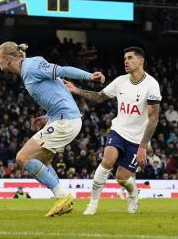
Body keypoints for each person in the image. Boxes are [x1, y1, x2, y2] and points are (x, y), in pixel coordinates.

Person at [0, 41, 105, 217]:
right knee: (42, 163)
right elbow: (58, 94)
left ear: (8, 59)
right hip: (60, 119)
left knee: (22, 157)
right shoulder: (26, 72)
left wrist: (89, 76)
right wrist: (46, 116)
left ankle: (62, 197)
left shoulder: (32, 65)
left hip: (66, 121)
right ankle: (64, 201)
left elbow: (62, 70)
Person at [63, 46, 161, 215]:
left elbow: (153, 118)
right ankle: (92, 204)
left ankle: (132, 194)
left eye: (130, 58)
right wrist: (76, 90)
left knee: (121, 178)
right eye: (125, 59)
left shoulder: (151, 85)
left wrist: (143, 146)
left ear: (141, 61)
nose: (126, 61)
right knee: (107, 161)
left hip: (137, 139)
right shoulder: (120, 81)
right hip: (118, 131)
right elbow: (100, 97)